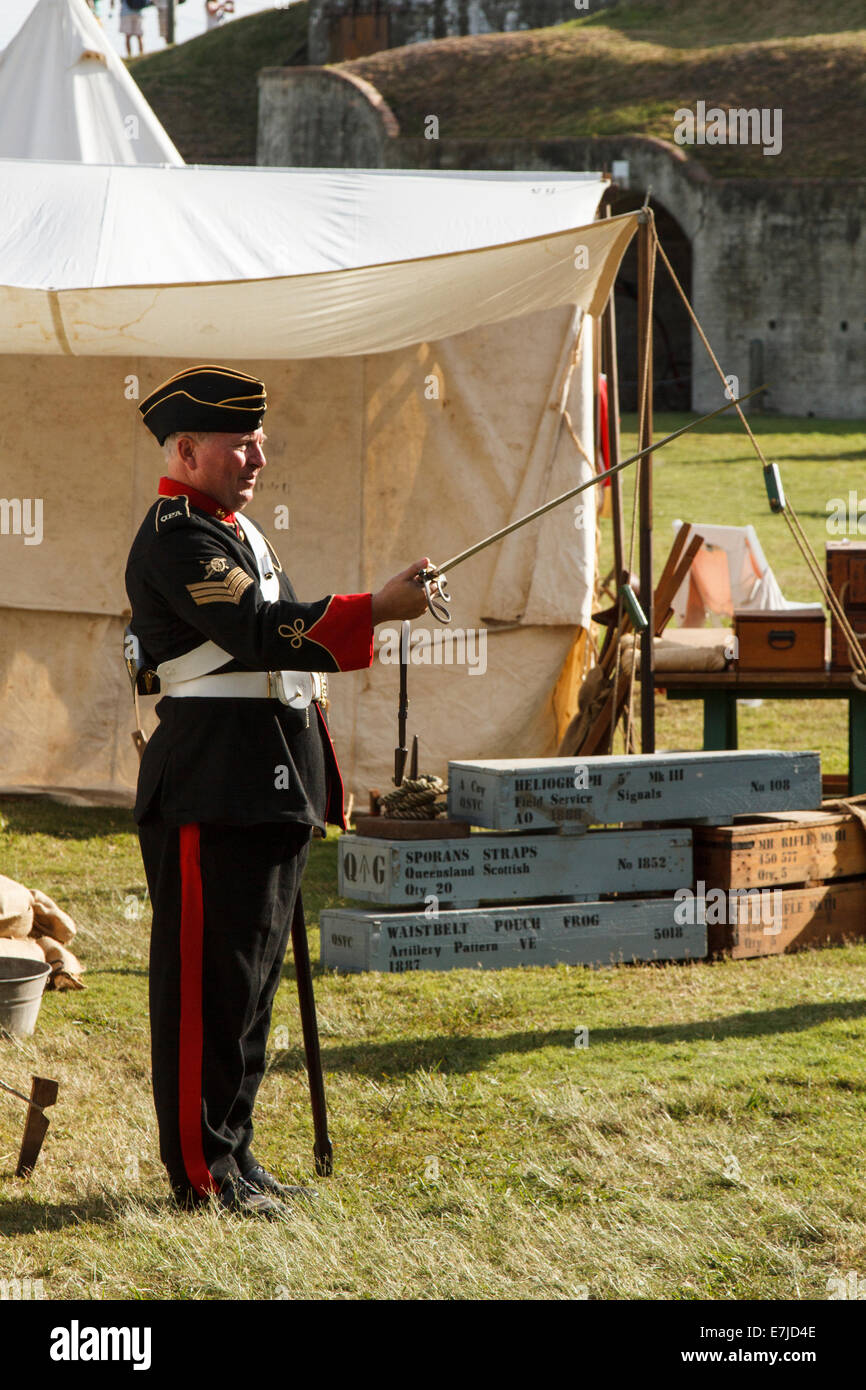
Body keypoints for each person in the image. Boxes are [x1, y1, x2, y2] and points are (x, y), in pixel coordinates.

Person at [125, 365, 433, 1217]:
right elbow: (264, 632)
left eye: (259, 438)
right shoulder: (175, 537)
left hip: (265, 785)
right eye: (240, 441)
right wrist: (378, 607)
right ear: (187, 450)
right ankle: (200, 1174)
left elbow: (281, 642)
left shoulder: (235, 530)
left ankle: (233, 1154)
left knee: (250, 992)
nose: (259, 455)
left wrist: (374, 606)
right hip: (211, 788)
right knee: (206, 992)